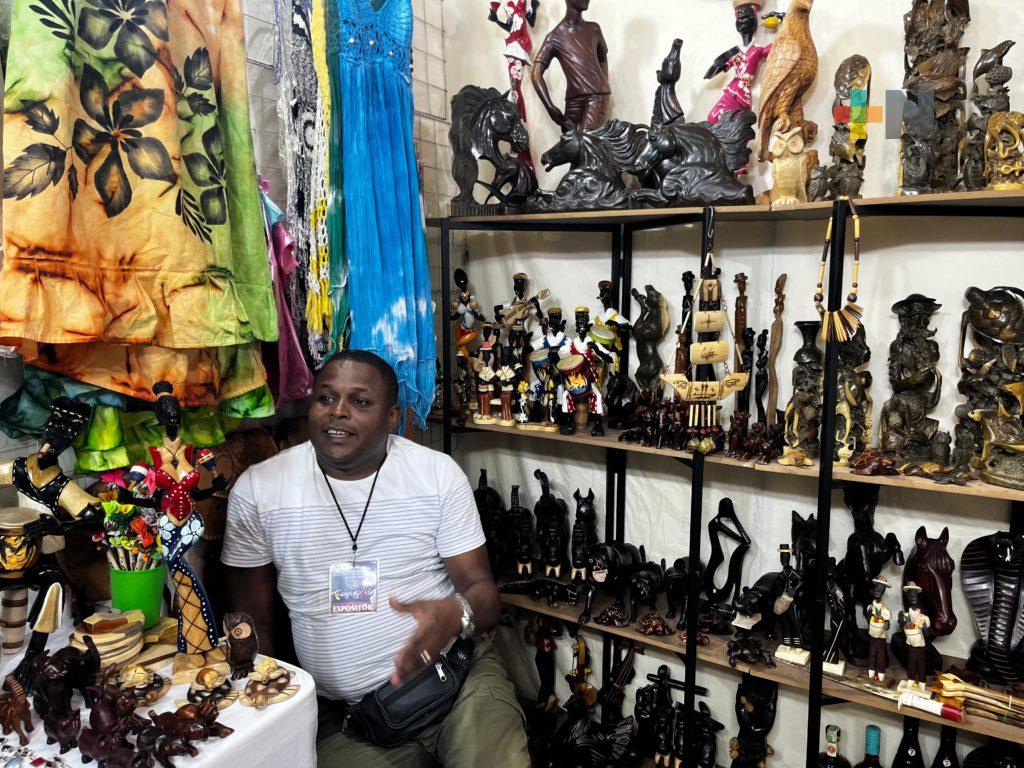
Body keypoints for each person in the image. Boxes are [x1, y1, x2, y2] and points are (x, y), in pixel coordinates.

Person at [222, 350, 530, 768]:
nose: (338, 411)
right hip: (351, 720)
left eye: (360, 401)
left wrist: (452, 616)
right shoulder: (260, 490)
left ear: (391, 417)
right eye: (325, 398)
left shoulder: (436, 474)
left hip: (456, 683)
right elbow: (252, 629)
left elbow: (485, 597)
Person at [531, 0, 610, 130]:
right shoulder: (554, 37)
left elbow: (602, 58)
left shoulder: (594, 29)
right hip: (573, 102)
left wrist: (603, 85)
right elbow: (536, 74)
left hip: (596, 97)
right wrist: (550, 107)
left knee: (585, 139)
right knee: (569, 140)